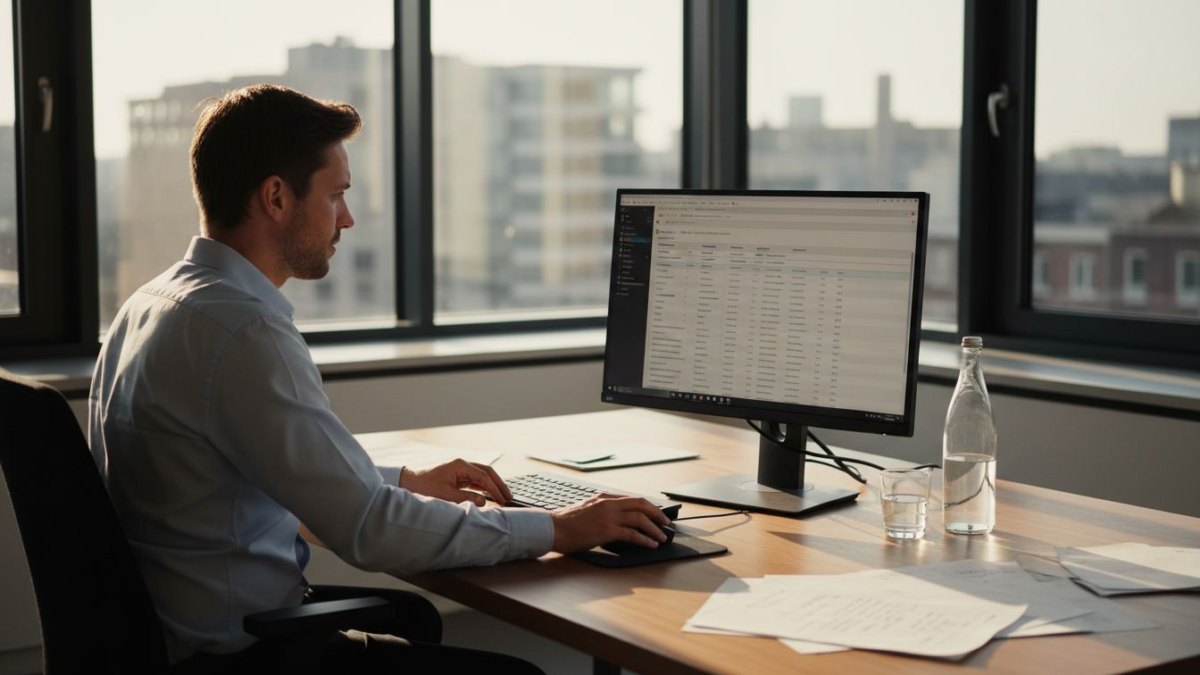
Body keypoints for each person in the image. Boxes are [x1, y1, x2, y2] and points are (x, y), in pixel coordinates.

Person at [88, 84, 670, 674]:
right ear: (276, 197)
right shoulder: (244, 332)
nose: (347, 218)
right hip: (237, 652)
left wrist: (407, 480)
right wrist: (557, 528)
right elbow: (369, 529)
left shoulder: (151, 304)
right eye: (336, 195)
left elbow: (288, 477)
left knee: (412, 616)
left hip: (170, 630)